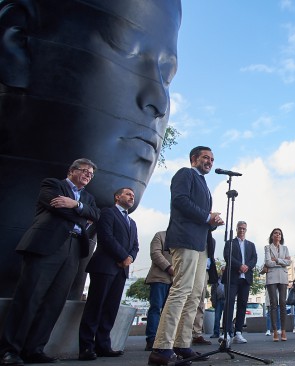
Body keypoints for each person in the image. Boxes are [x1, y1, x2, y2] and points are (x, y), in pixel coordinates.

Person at [0, 0, 182, 300]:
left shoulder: (95, 208)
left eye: (167, 75)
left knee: (52, 307)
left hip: (77, 258)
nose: (159, 102)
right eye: (127, 50)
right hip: (43, 252)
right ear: (18, 43)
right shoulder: (53, 187)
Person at [0, 158, 100, 365]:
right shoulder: (53, 184)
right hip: (47, 246)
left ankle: (35, 348)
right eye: (84, 171)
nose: (87, 176)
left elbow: (96, 215)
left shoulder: (88, 197)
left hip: (73, 251)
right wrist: (82, 214)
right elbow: (57, 208)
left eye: (91, 174)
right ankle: (9, 349)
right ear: (71, 170)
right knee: (30, 297)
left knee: (54, 302)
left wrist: (75, 204)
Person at [148, 146, 224, 366]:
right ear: (193, 159)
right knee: (181, 290)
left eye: (212, 158)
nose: (209, 161)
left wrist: (213, 223)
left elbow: (203, 219)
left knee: (195, 294)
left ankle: (182, 343)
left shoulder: (204, 184)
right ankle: (161, 347)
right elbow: (180, 201)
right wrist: (206, 216)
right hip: (185, 240)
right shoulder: (186, 173)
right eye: (205, 157)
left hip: (201, 245)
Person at [78, 187, 139, 361]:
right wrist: (122, 256)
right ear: (117, 196)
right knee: (95, 307)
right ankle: (86, 347)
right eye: (128, 194)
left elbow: (136, 245)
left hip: (121, 271)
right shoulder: (107, 213)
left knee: (110, 309)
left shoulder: (132, 222)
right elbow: (106, 237)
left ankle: (103, 345)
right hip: (104, 267)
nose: (131, 197)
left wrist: (129, 258)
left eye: (133, 196)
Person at [223, 221, 258, 343]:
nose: (242, 230)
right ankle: (227, 332)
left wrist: (247, 266)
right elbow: (227, 257)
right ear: (236, 229)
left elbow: (254, 258)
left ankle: (238, 332)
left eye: (244, 228)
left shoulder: (251, 245)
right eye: (240, 228)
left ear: (246, 230)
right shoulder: (230, 243)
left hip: (246, 278)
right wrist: (240, 266)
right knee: (229, 304)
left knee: (242, 305)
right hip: (232, 277)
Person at [144, 231, 173, 351]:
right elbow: (155, 253)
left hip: (175, 281)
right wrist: (168, 267)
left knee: (170, 312)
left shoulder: (183, 239)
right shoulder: (160, 235)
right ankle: (152, 339)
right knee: (156, 308)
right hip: (159, 278)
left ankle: (165, 340)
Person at [264, 228, 291, 342]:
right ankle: (275, 331)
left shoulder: (285, 248)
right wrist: (282, 261)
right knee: (273, 303)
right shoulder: (267, 247)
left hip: (283, 277)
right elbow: (268, 262)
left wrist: (277, 260)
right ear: (272, 236)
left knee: (283, 303)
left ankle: (283, 330)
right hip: (271, 277)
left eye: (279, 233)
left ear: (281, 236)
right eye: (275, 233)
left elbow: (289, 262)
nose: (278, 235)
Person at [210, 266, 226, 339]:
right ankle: (216, 333)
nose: (223, 272)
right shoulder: (217, 280)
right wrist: (213, 300)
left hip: (226, 300)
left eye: (224, 270)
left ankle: (226, 333)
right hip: (218, 300)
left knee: (226, 317)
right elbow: (213, 290)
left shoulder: (229, 279)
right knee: (217, 318)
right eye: (222, 270)